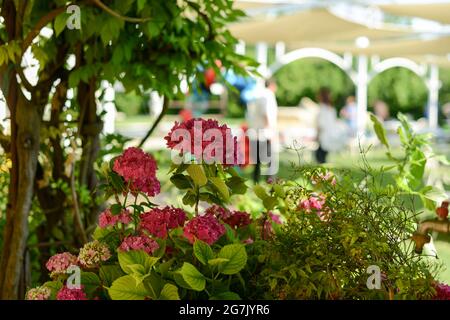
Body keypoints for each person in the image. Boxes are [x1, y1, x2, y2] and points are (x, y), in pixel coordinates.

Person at [246, 79, 278, 183]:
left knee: (258, 160)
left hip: (258, 132)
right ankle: (270, 182)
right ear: (272, 85)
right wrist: (271, 131)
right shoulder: (268, 95)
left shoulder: (259, 95)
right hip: (266, 133)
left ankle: (256, 181)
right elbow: (267, 114)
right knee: (271, 160)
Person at [315, 88, 337, 164]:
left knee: (320, 156)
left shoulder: (322, 108)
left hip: (324, 135)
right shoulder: (331, 108)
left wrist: (317, 135)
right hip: (330, 135)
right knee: (322, 155)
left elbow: (320, 124)